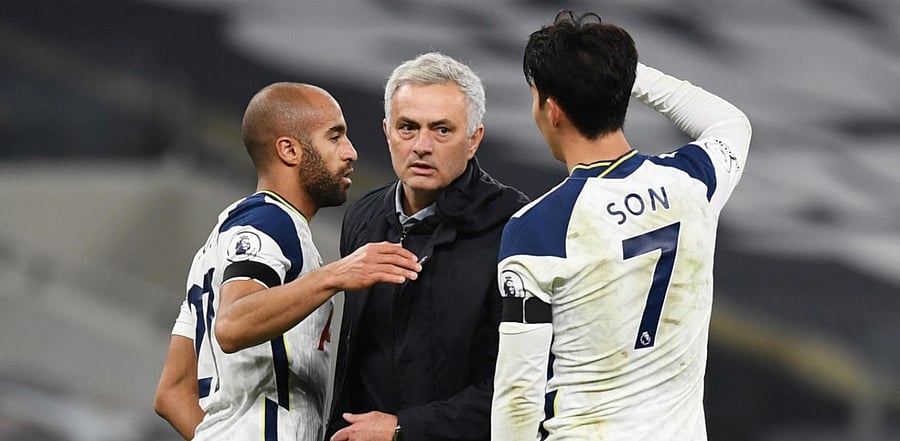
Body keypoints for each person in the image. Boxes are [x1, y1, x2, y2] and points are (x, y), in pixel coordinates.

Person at [491, 10, 752, 441]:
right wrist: (622, 76)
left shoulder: (537, 228)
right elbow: (729, 123)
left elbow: (519, 393)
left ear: (551, 110)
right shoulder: (692, 184)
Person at [153, 82, 423, 441]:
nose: (351, 152)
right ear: (289, 150)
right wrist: (337, 275)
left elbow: (172, 393)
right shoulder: (270, 221)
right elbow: (233, 325)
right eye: (334, 137)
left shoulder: (218, 245)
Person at [327, 52, 529, 441]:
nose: (421, 146)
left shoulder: (515, 228)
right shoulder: (362, 219)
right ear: (387, 131)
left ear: (474, 139)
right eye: (407, 128)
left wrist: (404, 428)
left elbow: (518, 386)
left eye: (441, 130)